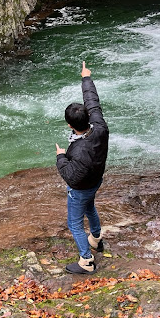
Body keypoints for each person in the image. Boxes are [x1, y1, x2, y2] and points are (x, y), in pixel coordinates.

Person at [55, 61, 109, 274]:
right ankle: (96, 238)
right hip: (96, 180)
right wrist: (86, 78)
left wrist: (61, 157)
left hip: (81, 188)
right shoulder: (99, 127)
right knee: (90, 208)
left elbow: (71, 178)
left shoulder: (78, 151)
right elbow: (93, 101)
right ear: (88, 116)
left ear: (70, 125)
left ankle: (86, 261)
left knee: (75, 224)